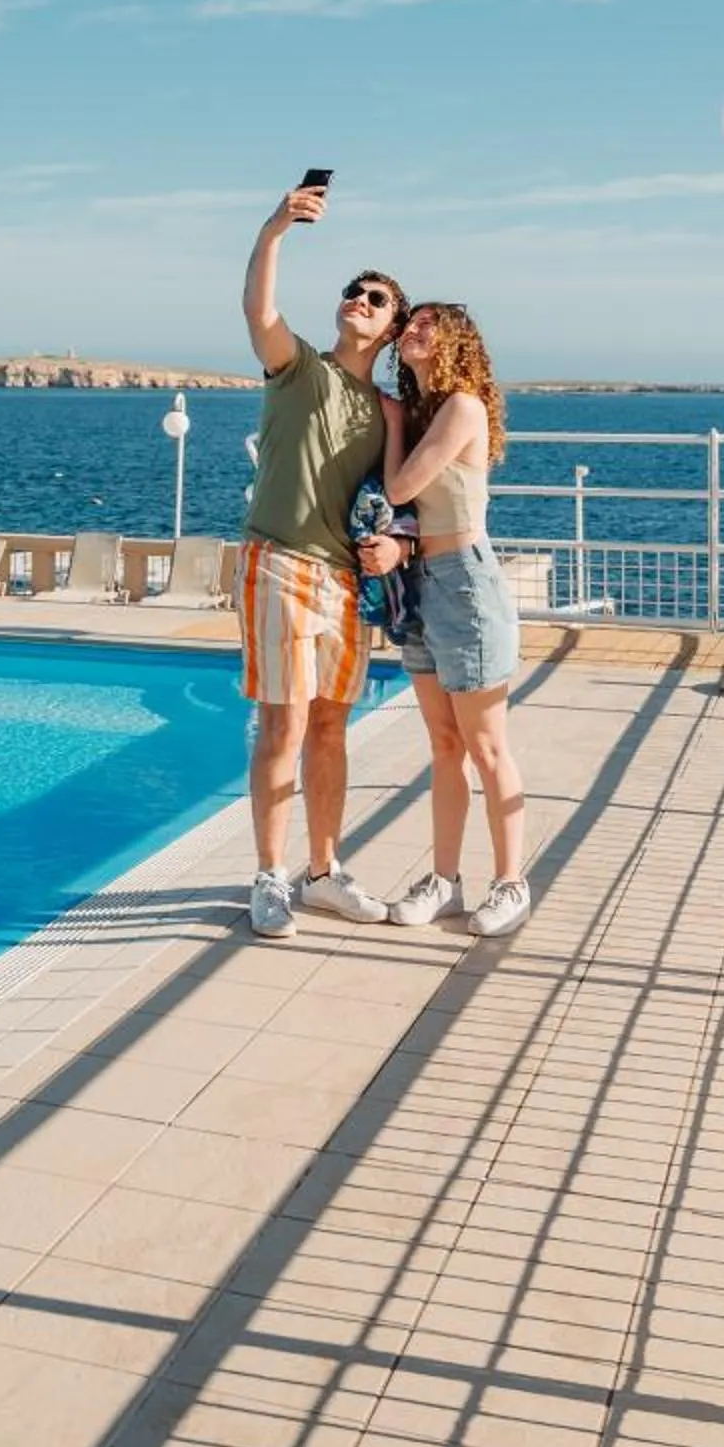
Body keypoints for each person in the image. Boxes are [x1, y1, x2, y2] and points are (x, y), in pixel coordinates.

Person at [238, 185, 407, 937]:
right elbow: (258, 309)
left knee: (333, 729)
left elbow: (405, 492)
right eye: (353, 291)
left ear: (392, 326)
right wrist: (276, 227)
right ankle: (269, 877)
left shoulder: (391, 412)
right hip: (278, 560)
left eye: (375, 298)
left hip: (344, 580)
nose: (358, 300)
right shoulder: (298, 367)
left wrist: (397, 542)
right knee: (283, 725)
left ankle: (322, 872)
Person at [378, 301, 530, 938]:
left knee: (487, 747)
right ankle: (444, 880)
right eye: (408, 326)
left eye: (425, 326)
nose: (411, 332)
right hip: (421, 579)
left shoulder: (461, 406)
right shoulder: (426, 412)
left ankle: (510, 882)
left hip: (465, 583)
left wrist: (389, 428)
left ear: (455, 343)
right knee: (444, 747)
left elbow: (400, 489)